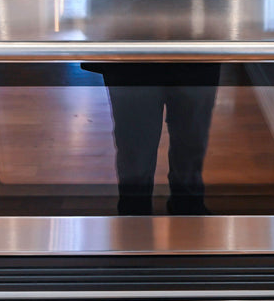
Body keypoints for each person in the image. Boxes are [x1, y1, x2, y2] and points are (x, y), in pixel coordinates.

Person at [86, 64, 220, 215]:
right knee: (136, 156)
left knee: (190, 146)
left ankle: (185, 209)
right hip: (132, 58)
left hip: (196, 55)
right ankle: (138, 217)